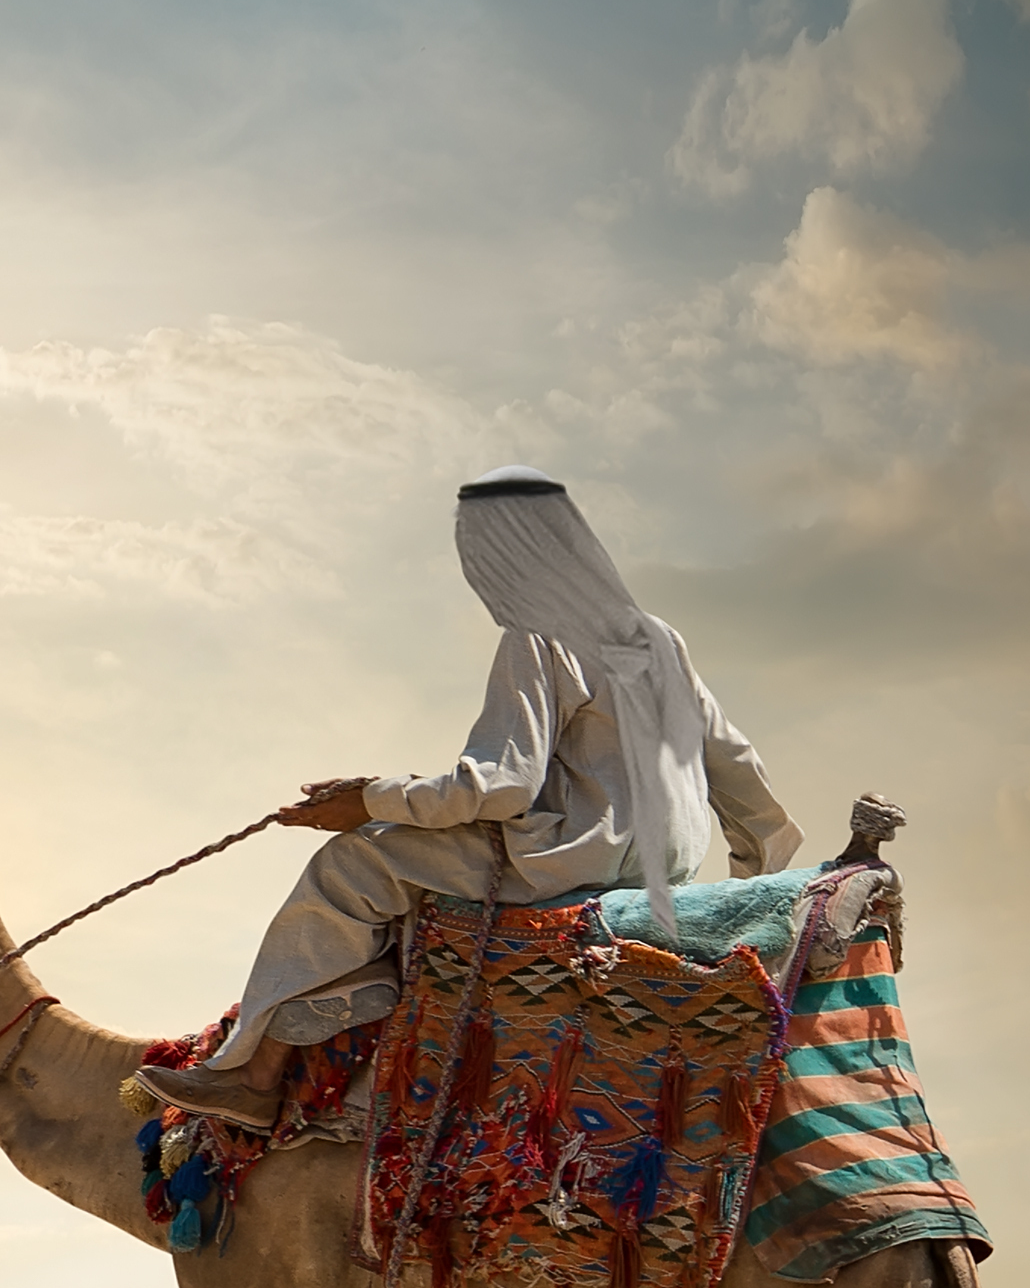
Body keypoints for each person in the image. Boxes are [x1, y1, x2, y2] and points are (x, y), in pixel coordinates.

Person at [151, 466, 802, 1128]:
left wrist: (371, 801)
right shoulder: (656, 637)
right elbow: (734, 758)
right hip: (671, 868)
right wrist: (757, 875)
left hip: (572, 858)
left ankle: (255, 1077)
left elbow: (499, 786)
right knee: (396, 848)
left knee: (353, 865)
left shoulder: (537, 633)